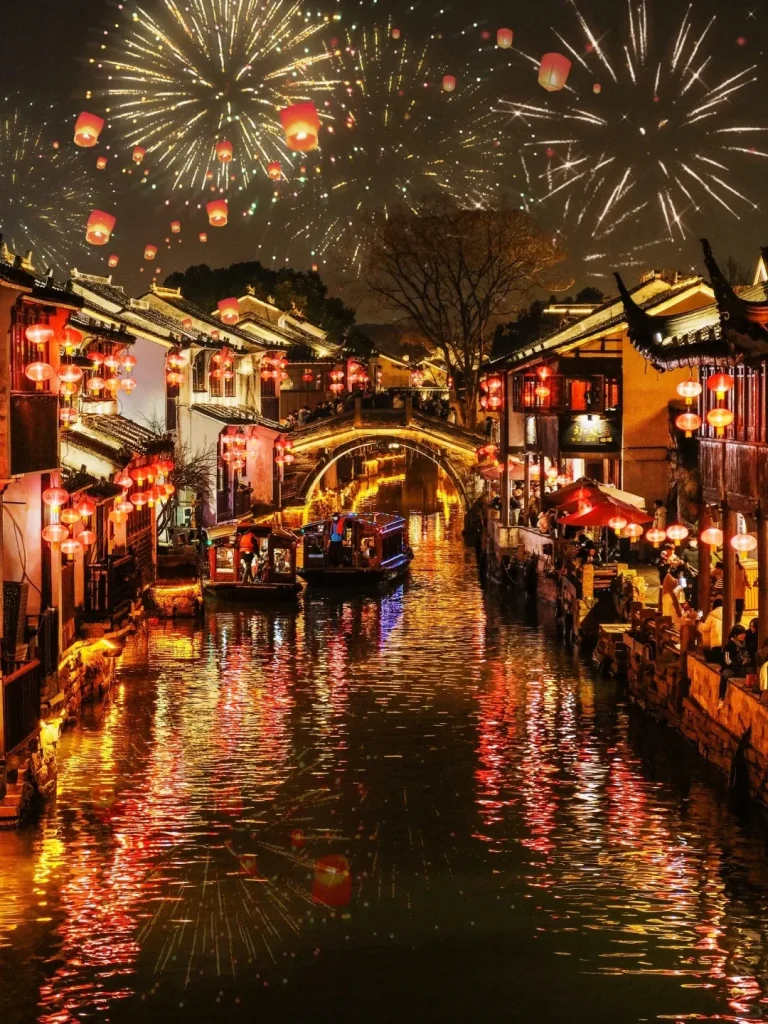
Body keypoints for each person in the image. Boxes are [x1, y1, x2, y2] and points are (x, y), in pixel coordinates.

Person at [721, 623, 750, 698]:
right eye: (741, 634)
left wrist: (747, 660)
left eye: (744, 634)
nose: (743, 636)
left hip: (742, 668)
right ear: (735, 635)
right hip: (731, 668)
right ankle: (721, 698)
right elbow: (727, 660)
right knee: (725, 675)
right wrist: (738, 664)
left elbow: (747, 656)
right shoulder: (729, 646)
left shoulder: (745, 645)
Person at [698, 597, 724, 663]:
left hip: (716, 643)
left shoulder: (712, 615)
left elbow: (705, 628)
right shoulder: (727, 613)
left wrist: (699, 625)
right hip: (725, 643)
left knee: (712, 659)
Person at [734, 554, 752, 623]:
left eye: (735, 558)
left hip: (740, 593)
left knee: (740, 608)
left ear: (737, 558)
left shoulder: (742, 568)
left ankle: (738, 622)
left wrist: (749, 585)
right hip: (733, 593)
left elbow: (745, 578)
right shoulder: (728, 568)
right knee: (735, 609)